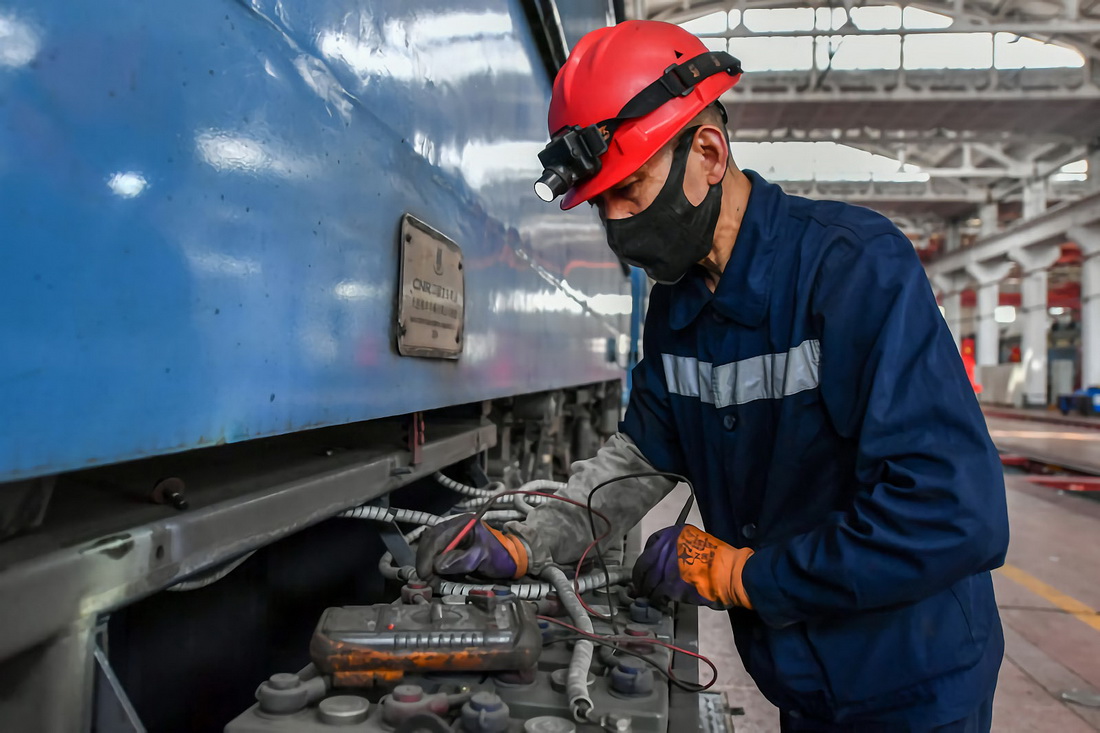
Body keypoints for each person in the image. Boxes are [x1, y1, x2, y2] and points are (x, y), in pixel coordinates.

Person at [417, 20, 1008, 733]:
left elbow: (952, 515)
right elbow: (639, 459)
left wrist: (739, 574)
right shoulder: (677, 307)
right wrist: (531, 535)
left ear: (708, 151)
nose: (618, 224)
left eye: (630, 188)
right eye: (601, 203)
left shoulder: (855, 270)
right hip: (804, 679)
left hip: (912, 681)